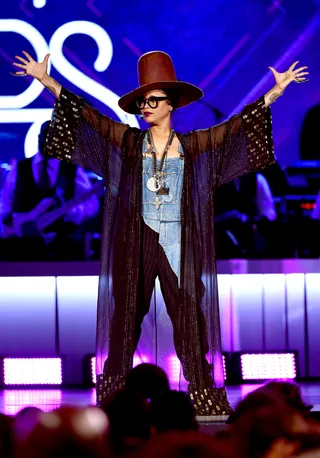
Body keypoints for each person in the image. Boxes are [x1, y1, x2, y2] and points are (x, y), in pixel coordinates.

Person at [12, 49, 308, 414]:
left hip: (178, 242)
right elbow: (89, 116)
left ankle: (201, 391)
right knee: (124, 321)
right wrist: (47, 81)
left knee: (189, 319)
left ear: (171, 104)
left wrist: (274, 93)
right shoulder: (129, 142)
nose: (146, 107)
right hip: (135, 241)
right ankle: (115, 399)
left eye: (153, 100)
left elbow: (234, 129)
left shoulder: (191, 144)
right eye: (142, 101)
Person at [0, 121, 99, 260]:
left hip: (64, 246)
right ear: (38, 137)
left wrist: (73, 213)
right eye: (44, 136)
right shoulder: (20, 168)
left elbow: (91, 205)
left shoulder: (73, 170)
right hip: (23, 247)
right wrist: (11, 228)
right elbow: (5, 202)